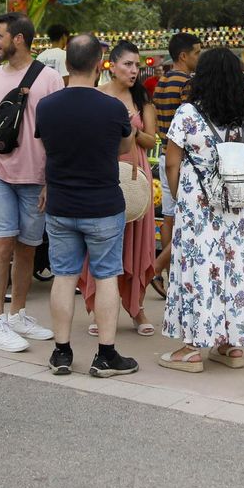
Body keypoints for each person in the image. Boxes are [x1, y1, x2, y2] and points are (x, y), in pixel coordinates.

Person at [38, 35, 140, 378]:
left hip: (61, 204)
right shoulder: (112, 108)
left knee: (64, 277)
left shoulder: (47, 106)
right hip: (103, 205)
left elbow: (48, 148)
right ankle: (106, 356)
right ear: (101, 64)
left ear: (67, 64)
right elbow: (124, 147)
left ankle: (62, 352)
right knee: (107, 276)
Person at [0, 12, 63, 352]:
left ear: (18, 38)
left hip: (36, 176)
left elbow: (56, 135)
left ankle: (18, 313)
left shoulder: (50, 79)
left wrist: (52, 180)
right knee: (3, 245)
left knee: (28, 248)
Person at [159, 47, 244, 372]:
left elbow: (172, 161)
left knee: (198, 271)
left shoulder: (189, 113)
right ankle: (231, 345)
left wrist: (181, 198)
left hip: (198, 208)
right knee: (233, 269)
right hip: (236, 207)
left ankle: (191, 349)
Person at [78, 39, 158, 336]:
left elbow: (152, 140)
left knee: (135, 242)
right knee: (102, 241)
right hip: (103, 173)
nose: (134, 70)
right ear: (111, 66)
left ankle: (136, 309)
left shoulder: (141, 101)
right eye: (128, 64)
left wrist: (131, 130)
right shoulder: (96, 95)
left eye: (137, 65)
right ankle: (101, 309)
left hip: (136, 176)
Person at [149, 32, 201, 297]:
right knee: (187, 219)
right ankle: (162, 270)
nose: (198, 58)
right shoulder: (187, 83)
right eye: (196, 53)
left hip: (163, 154)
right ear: (184, 56)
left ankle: (169, 275)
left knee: (169, 216)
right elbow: (189, 123)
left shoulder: (162, 81)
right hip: (182, 159)